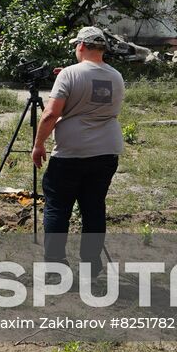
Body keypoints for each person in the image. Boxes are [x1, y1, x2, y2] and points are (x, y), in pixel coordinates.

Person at [31, 26, 125, 275]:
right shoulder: (116, 76)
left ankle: (55, 266)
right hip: (106, 152)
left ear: (81, 46)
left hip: (71, 153)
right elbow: (96, 98)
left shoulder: (70, 74)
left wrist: (39, 144)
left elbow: (51, 113)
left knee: (57, 207)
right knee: (94, 207)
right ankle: (91, 265)